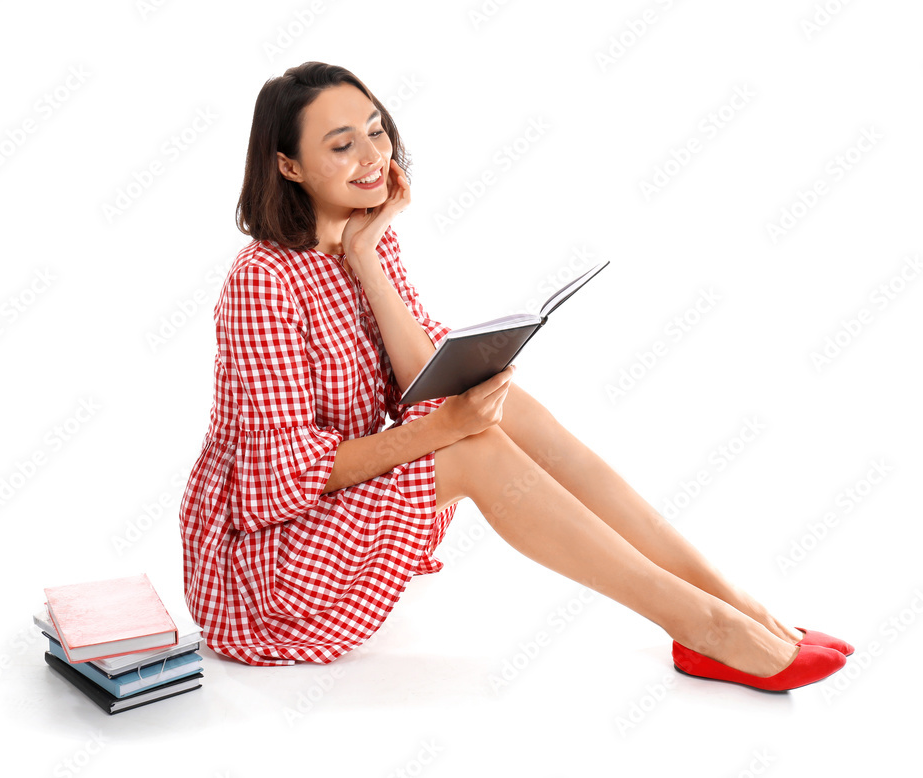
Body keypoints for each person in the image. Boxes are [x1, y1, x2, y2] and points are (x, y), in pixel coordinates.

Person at [179, 61, 852, 691]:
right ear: (288, 165)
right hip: (262, 568)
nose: (373, 156)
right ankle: (705, 628)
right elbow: (281, 482)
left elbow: (419, 379)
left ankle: (730, 602)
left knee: (508, 409)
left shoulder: (364, 241)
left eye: (377, 131)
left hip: (323, 520)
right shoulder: (262, 283)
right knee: (474, 448)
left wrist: (367, 255)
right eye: (342, 144)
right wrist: (444, 427)